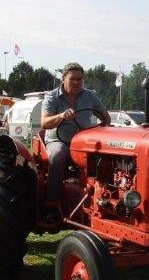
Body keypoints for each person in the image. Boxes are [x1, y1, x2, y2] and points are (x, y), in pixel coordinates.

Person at [40, 63, 110, 207]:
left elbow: (105, 117)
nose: (77, 82)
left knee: (107, 159)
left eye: (80, 79)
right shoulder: (52, 96)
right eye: (73, 79)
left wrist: (104, 126)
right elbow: (44, 123)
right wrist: (61, 116)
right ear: (63, 79)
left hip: (84, 142)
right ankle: (52, 202)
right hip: (59, 140)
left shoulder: (90, 95)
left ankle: (104, 198)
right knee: (58, 156)